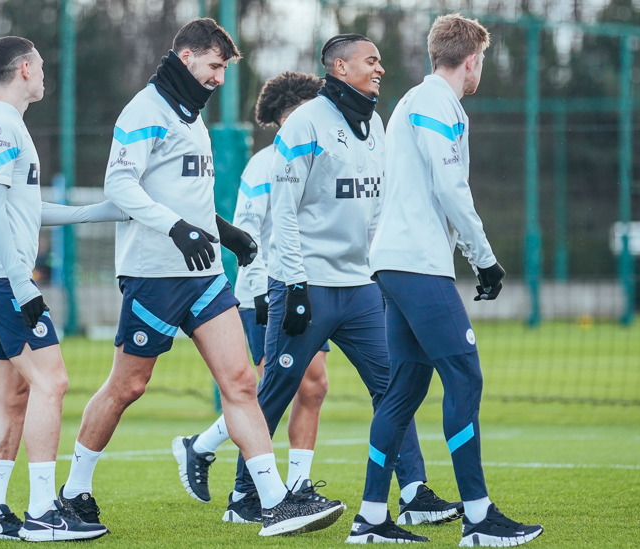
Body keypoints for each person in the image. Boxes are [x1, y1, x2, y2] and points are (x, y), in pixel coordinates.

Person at [57, 18, 345, 537]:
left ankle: (274, 500)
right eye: (214, 67)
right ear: (186, 56)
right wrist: (176, 230)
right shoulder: (145, 110)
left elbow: (187, 200)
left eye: (223, 70)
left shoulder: (192, 119)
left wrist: (226, 233)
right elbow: (119, 185)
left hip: (206, 275)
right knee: (128, 386)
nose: (218, 78)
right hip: (154, 275)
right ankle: (74, 491)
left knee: (241, 382)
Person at [227, 34, 462, 532]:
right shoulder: (305, 123)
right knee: (276, 390)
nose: (380, 68)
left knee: (392, 388)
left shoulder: (375, 123)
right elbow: (284, 216)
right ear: (339, 66)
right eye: (370, 60)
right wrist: (290, 285)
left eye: (380, 60)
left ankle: (415, 492)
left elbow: (375, 210)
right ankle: (244, 495)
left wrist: (380, 272)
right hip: (307, 286)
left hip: (360, 290)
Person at [350, 14, 543, 545]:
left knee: (403, 392)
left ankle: (370, 519)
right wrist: (484, 258)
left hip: (394, 263)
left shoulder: (411, 101)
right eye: (482, 61)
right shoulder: (440, 102)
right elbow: (451, 188)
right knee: (465, 377)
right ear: (472, 60)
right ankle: (479, 519)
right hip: (416, 265)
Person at [0, 36, 125, 543]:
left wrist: (97, 211)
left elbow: (23, 210)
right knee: (52, 383)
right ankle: (41, 512)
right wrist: (21, 283)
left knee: (13, 395)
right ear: (26, 69)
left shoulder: (12, 126)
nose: (46, 74)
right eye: (43, 66)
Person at [170, 72, 334, 517]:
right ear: (289, 116)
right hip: (266, 294)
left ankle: (288, 481)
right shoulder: (266, 164)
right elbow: (246, 231)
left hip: (306, 288)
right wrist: (263, 292)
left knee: (311, 386)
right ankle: (244, 491)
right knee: (270, 387)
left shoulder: (318, 158)